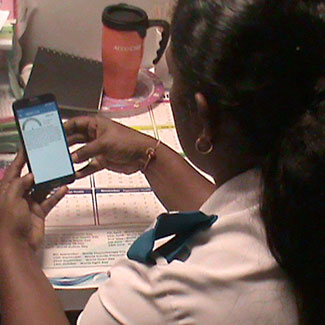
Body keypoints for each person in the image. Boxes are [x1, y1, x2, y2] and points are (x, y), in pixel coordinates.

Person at [0, 0, 324, 324]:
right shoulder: (300, 192)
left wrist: (11, 246)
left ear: (202, 116)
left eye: (175, 79)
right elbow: (243, 218)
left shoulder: (167, 293)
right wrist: (148, 156)